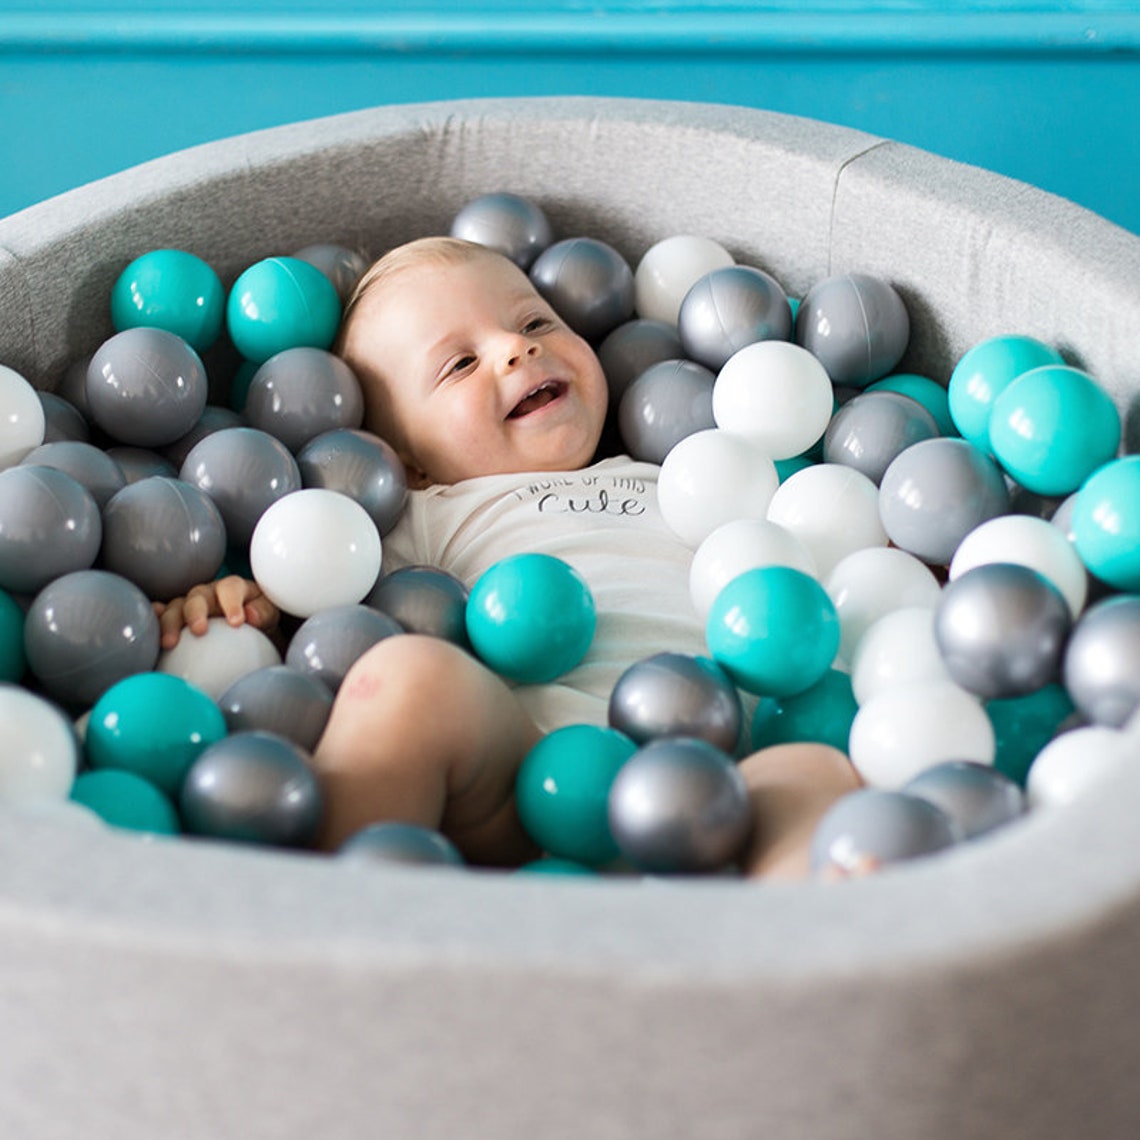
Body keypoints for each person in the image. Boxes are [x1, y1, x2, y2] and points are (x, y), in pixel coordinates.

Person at [157, 236, 860, 872]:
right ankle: (335, 921)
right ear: (404, 459)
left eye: (535, 323)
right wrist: (247, 605)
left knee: (816, 771)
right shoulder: (427, 512)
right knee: (407, 676)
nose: (515, 350)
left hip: (724, 776)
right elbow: (322, 603)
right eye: (460, 364)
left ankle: (786, 958)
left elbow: (817, 563)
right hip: (528, 777)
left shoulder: (687, 474)